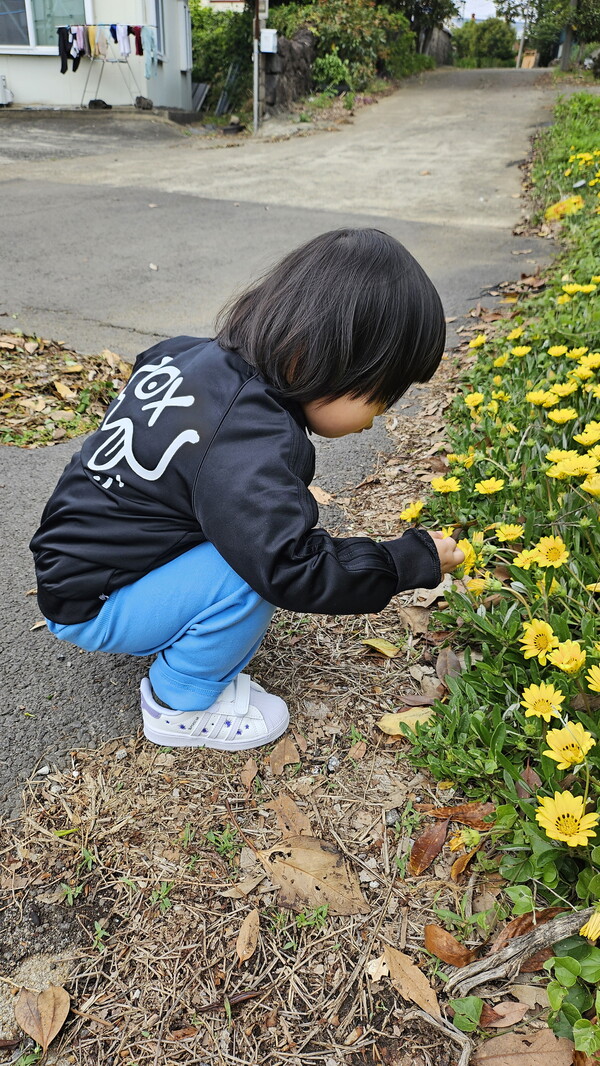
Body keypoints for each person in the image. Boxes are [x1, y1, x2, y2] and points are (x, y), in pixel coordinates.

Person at [30, 228, 465, 753]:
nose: (377, 418)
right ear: (314, 356)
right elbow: (291, 566)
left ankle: (171, 620)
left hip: (76, 569)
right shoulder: (248, 438)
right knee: (245, 568)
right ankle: (178, 703)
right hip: (96, 603)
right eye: (381, 395)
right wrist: (404, 560)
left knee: (239, 539)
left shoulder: (183, 355)